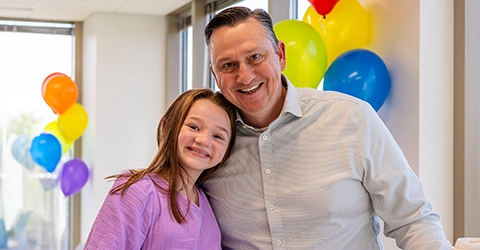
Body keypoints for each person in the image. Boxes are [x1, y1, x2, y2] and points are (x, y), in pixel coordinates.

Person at [202, 6, 452, 250]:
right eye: (228, 65)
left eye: (255, 57)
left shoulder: (352, 118)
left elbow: (413, 220)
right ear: (215, 75)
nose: (245, 76)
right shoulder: (206, 147)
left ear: (280, 55)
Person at [83, 89, 236, 249]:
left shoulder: (206, 202)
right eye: (194, 127)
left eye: (218, 136)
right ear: (167, 127)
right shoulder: (137, 190)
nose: (203, 140)